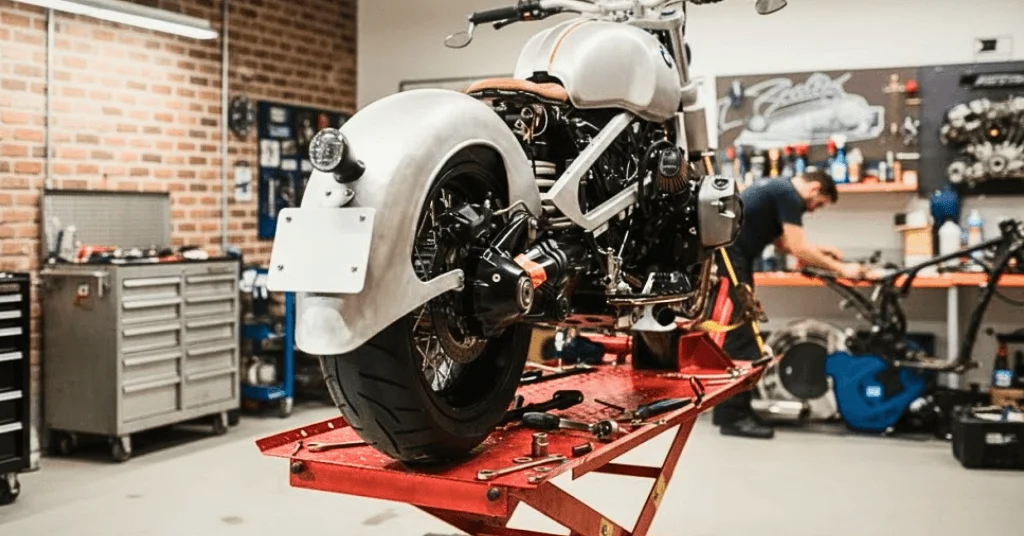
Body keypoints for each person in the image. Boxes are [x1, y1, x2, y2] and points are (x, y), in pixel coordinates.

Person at [711, 168, 867, 439]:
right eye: (819, 204)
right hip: (731, 259)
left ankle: (727, 411)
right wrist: (844, 270)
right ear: (815, 189)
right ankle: (734, 417)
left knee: (737, 334)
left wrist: (823, 253)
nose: (814, 210)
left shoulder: (778, 189)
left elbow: (783, 243)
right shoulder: (789, 195)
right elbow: (798, 248)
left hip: (731, 257)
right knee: (742, 335)